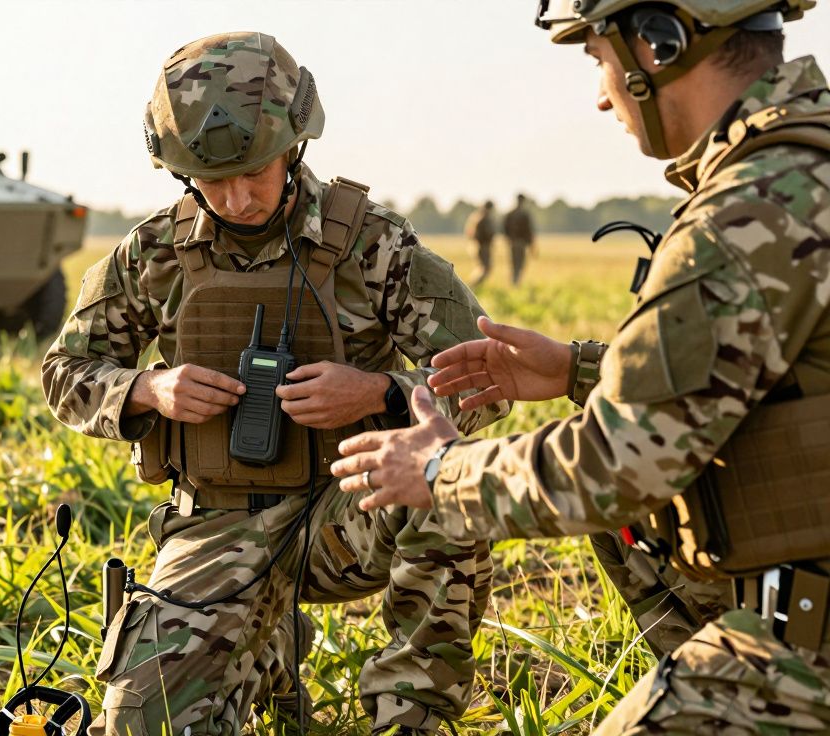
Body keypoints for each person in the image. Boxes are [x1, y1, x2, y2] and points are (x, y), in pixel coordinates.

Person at [331, 1, 830, 732]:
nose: (601, 95)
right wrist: (578, 371)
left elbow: (615, 467)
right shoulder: (804, 165)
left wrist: (440, 471)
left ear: (658, 45)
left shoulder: (749, 210)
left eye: (599, 59)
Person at [42, 32, 507, 736]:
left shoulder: (374, 244)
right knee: (143, 723)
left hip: (353, 509)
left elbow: (485, 379)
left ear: (294, 145)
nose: (236, 198)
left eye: (254, 171)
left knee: (452, 485)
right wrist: (147, 392)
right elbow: (64, 372)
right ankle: (264, 647)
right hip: (217, 525)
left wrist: (380, 394)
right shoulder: (153, 254)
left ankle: (409, 716)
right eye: (210, 180)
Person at [501, 194, 535, 285]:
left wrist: (508, 239)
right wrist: (531, 245)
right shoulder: (524, 214)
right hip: (521, 243)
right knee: (520, 264)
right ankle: (516, 283)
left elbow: (504, 228)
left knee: (514, 264)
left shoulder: (510, 214)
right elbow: (529, 231)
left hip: (512, 243)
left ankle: (513, 283)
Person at [464, 200, 496, 287]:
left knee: (483, 268)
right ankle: (472, 286)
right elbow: (486, 234)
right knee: (484, 268)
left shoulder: (476, 217)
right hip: (482, 246)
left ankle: (474, 286)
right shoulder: (484, 218)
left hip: (478, 245)